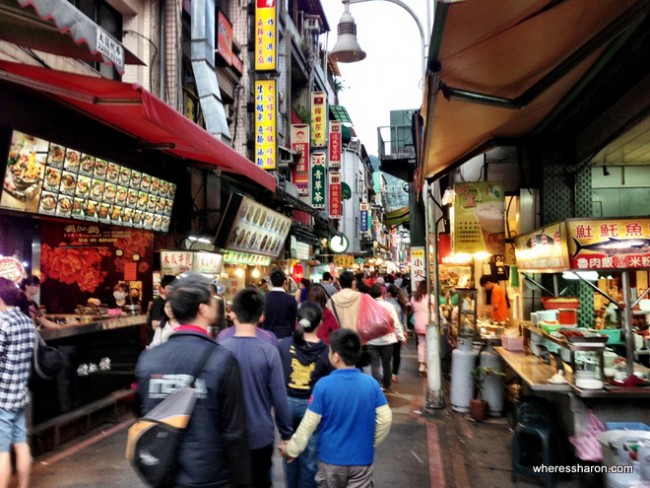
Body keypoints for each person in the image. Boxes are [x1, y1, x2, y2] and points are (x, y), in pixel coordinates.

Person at [135, 272, 251, 487]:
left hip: (163, 474)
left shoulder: (148, 359)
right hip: (210, 476)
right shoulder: (222, 360)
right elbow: (234, 433)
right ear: (203, 309)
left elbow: (143, 416)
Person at [280, 329, 392, 487]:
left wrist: (292, 450)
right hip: (362, 460)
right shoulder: (371, 385)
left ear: (336, 357)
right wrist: (370, 442)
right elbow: (385, 418)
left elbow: (308, 424)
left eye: (330, 350)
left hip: (330, 460)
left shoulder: (323, 386)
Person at [219, 288, 293, 488]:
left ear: (232, 312)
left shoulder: (220, 350)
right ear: (261, 316)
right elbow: (279, 398)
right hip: (260, 435)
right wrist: (286, 435)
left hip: (226, 435)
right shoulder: (269, 351)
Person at [277, 302, 332, 488]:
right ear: (320, 323)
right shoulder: (326, 351)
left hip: (286, 405)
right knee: (309, 458)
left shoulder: (283, 345)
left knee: (290, 452)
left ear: (297, 321)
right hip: (313, 408)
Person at [0, 277, 35, 488]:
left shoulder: (2, 323)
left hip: (2, 396)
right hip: (20, 393)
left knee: (1, 450)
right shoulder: (26, 320)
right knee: (21, 443)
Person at [366, 285, 406, 391]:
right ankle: (386, 384)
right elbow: (396, 323)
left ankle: (377, 385)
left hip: (373, 340)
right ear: (381, 294)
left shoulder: (368, 306)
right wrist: (401, 336)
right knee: (386, 363)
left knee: (374, 364)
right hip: (388, 340)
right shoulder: (388, 305)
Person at [262, 269, 297, 339]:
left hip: (268, 337)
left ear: (271, 282)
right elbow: (293, 321)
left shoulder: (264, 299)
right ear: (285, 281)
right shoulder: (291, 299)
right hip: (286, 336)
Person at [146, 274, 177, 345]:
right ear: (162, 289)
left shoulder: (170, 302)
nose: (172, 291)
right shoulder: (158, 303)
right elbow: (154, 325)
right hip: (156, 343)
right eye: (169, 288)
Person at [387, 285, 408, 382]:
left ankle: (387, 372)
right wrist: (404, 331)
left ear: (389, 293)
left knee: (387, 354)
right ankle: (394, 373)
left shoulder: (386, 303)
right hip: (398, 332)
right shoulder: (400, 303)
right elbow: (403, 319)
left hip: (387, 332)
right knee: (396, 354)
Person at [410, 280, 432, 374]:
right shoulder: (430, 297)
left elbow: (412, 309)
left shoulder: (414, 298)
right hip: (428, 324)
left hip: (418, 323)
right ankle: (427, 365)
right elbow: (435, 310)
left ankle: (421, 365)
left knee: (421, 344)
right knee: (429, 345)